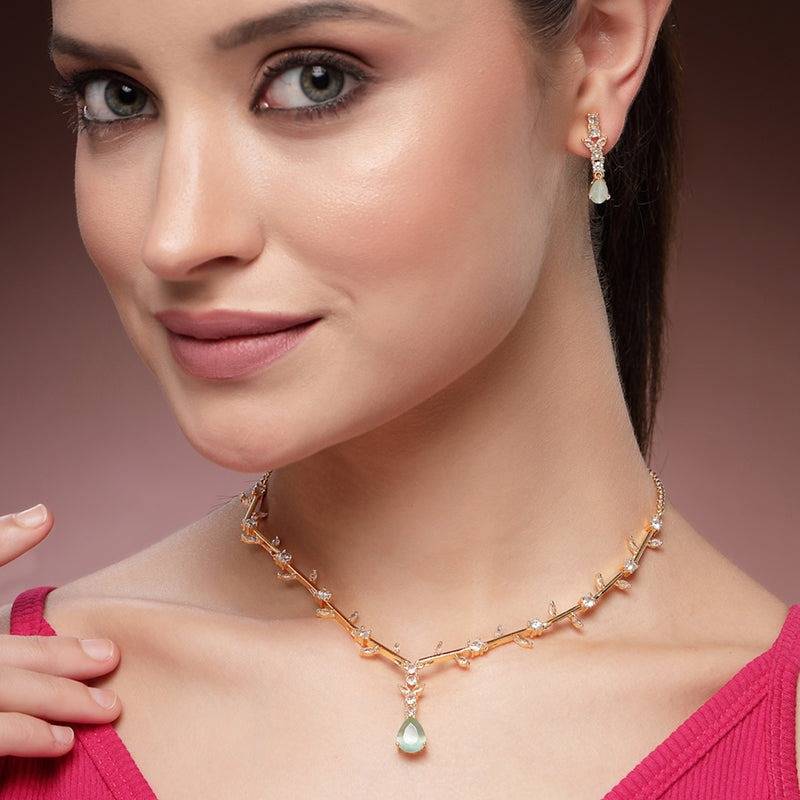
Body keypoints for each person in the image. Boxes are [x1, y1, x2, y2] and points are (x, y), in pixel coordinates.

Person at [1, 0, 798, 797]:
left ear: (599, 47)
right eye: (118, 97)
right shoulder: (34, 703)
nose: (175, 239)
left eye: (315, 80)